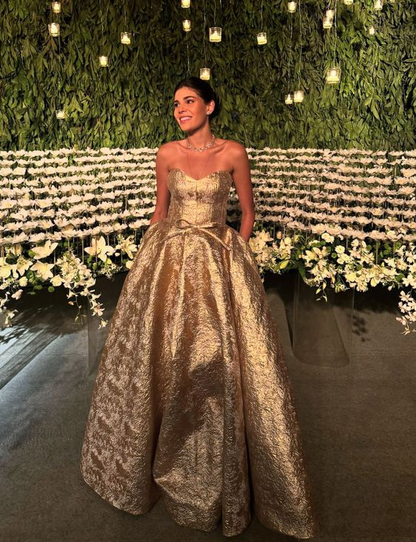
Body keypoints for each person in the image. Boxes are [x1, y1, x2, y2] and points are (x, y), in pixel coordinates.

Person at [80, 77, 318, 539]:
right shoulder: (167, 154)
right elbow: (160, 211)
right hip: (168, 260)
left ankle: (220, 465)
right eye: (175, 104)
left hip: (215, 262)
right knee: (160, 354)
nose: (180, 109)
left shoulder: (233, 153)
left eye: (189, 101)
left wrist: (236, 253)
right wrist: (145, 261)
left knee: (216, 357)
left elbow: (247, 212)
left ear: (210, 106)